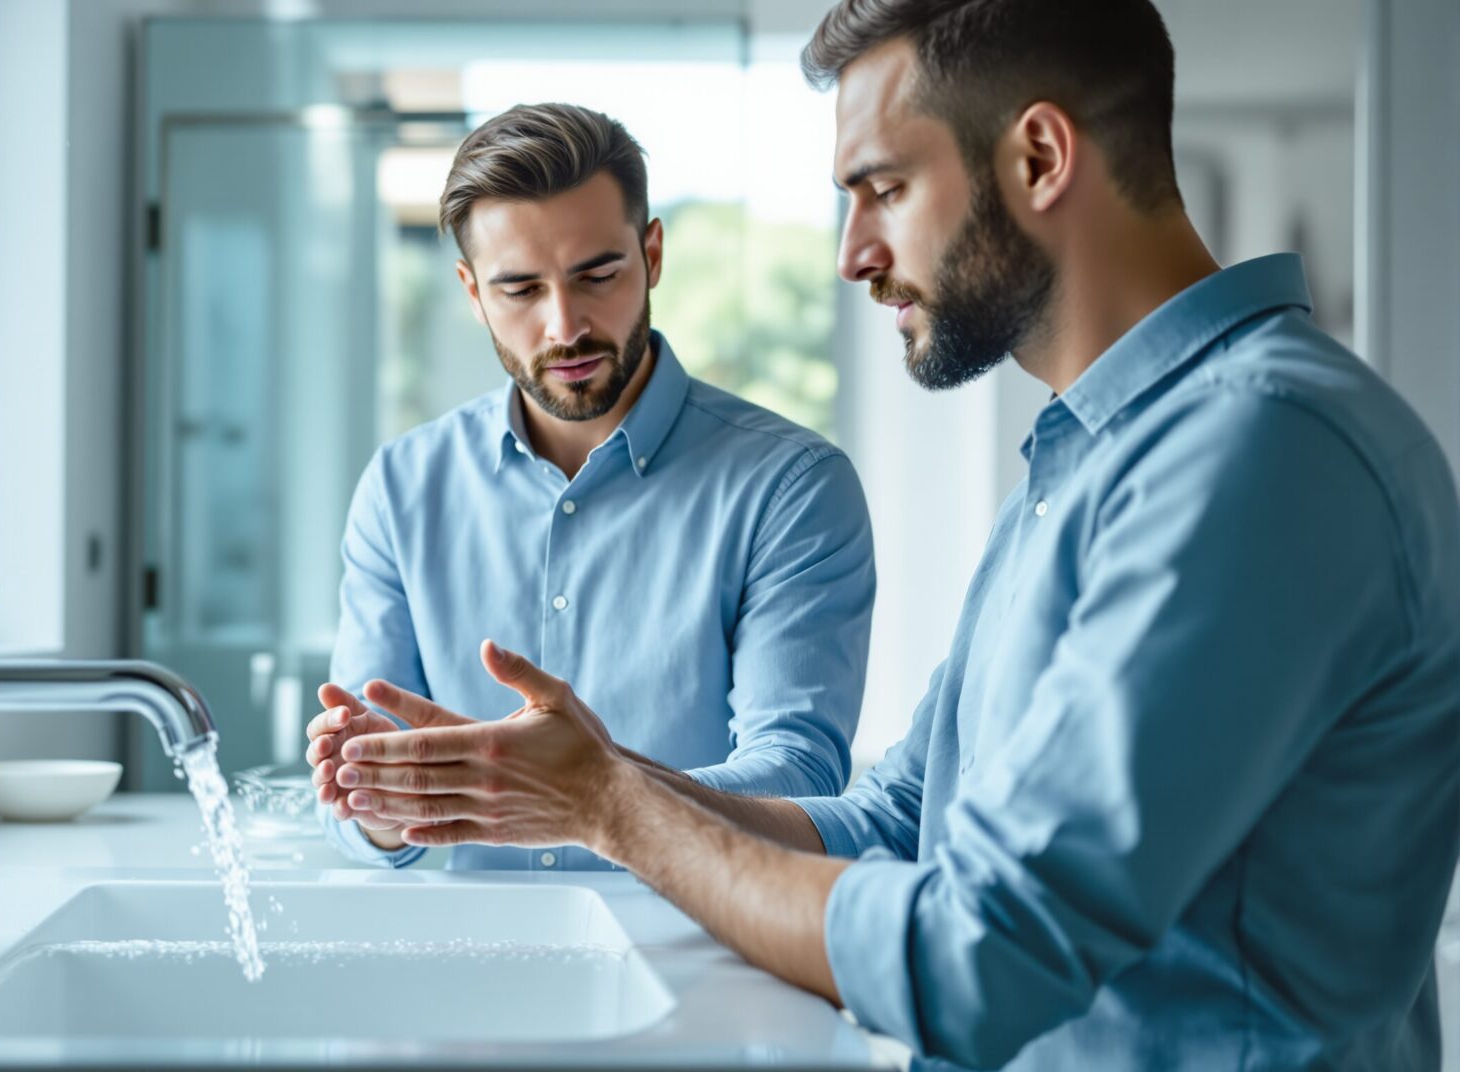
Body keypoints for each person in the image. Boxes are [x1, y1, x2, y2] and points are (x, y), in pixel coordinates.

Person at [319, 2, 1460, 1067]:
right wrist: (584, 778)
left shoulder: (1258, 450)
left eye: (884, 188)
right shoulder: (1090, 458)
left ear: (1039, 158)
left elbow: (984, 955)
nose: (852, 253)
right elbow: (897, 817)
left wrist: (611, 809)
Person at [305, 102, 876, 870]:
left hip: (690, 934)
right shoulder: (401, 488)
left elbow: (797, 778)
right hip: (477, 937)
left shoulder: (791, 488)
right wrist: (379, 798)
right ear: (472, 293)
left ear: (652, 255)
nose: (565, 326)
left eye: (598, 275)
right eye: (520, 290)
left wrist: (589, 791)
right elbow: (355, 816)